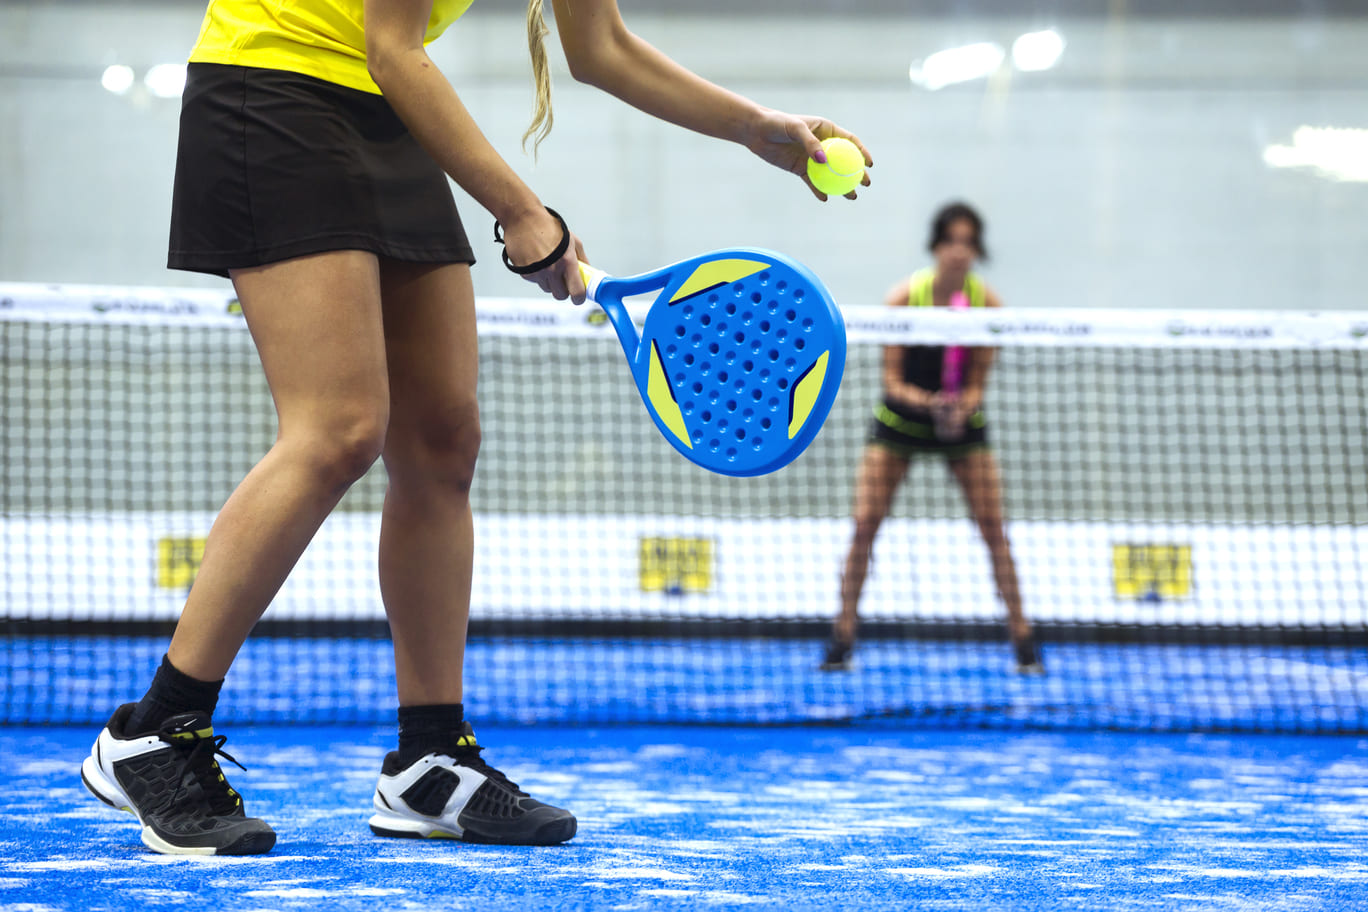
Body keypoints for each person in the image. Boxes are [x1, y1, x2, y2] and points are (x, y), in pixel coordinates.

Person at [79, 0, 871, 856]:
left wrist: (757, 127)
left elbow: (601, 48)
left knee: (441, 444)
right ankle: (155, 731)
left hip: (388, 111)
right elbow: (392, 46)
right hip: (273, 91)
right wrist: (524, 210)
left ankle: (429, 762)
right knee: (340, 428)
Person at [820, 202, 1043, 676]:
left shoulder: (987, 305)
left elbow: (980, 379)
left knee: (993, 530)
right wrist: (929, 404)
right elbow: (892, 381)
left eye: (968, 243)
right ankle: (841, 638)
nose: (959, 252)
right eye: (951, 241)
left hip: (963, 426)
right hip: (901, 421)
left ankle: (1024, 643)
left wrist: (963, 407)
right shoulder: (904, 299)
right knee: (864, 526)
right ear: (936, 246)